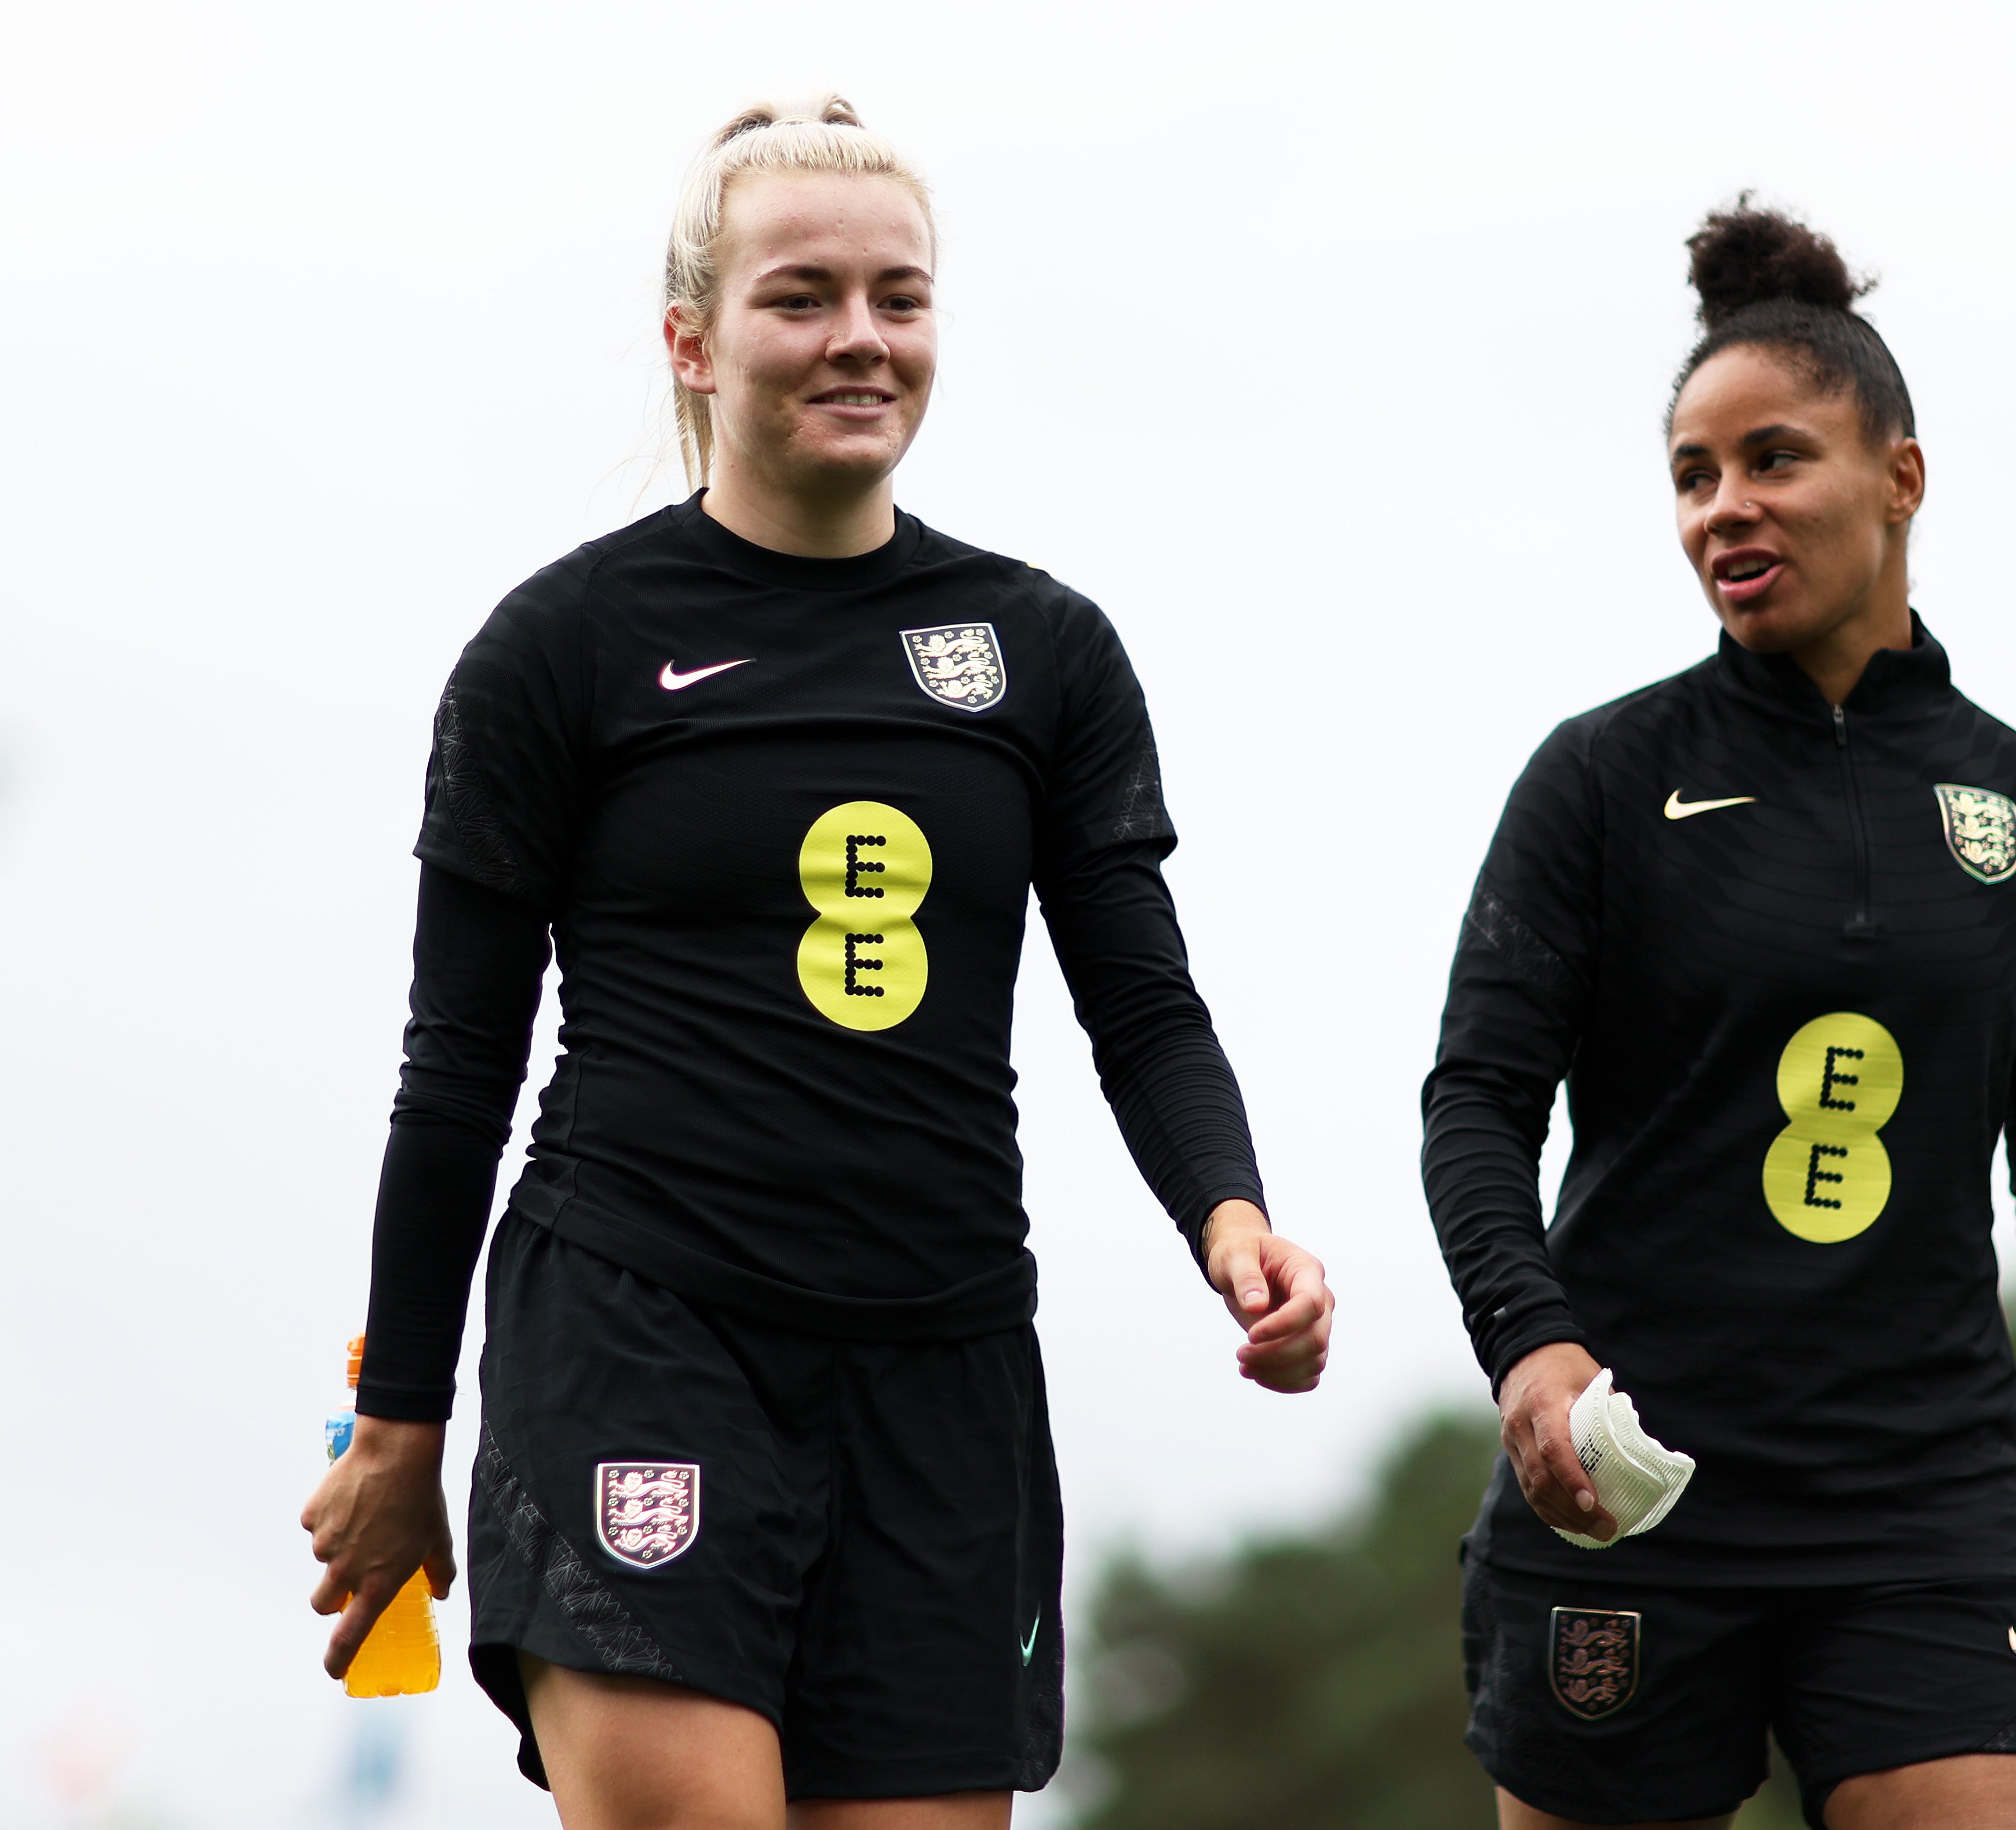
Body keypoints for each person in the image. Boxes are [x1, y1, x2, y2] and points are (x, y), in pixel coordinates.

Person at [299, 97, 1333, 1829]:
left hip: (941, 1367)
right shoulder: (562, 648)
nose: (860, 337)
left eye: (898, 296)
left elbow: (1139, 997)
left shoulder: (1042, 651)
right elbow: (454, 1068)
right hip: (640, 1329)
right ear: (692, 340)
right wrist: (403, 1427)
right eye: (802, 297)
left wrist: (1230, 1217)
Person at [1422, 202, 2016, 1830]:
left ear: (1898, 476)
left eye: (1772, 460)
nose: (1725, 509)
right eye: (1692, 475)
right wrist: (1530, 1350)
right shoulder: (1601, 779)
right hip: (1630, 1494)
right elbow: (1474, 1102)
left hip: (1922, 1508)